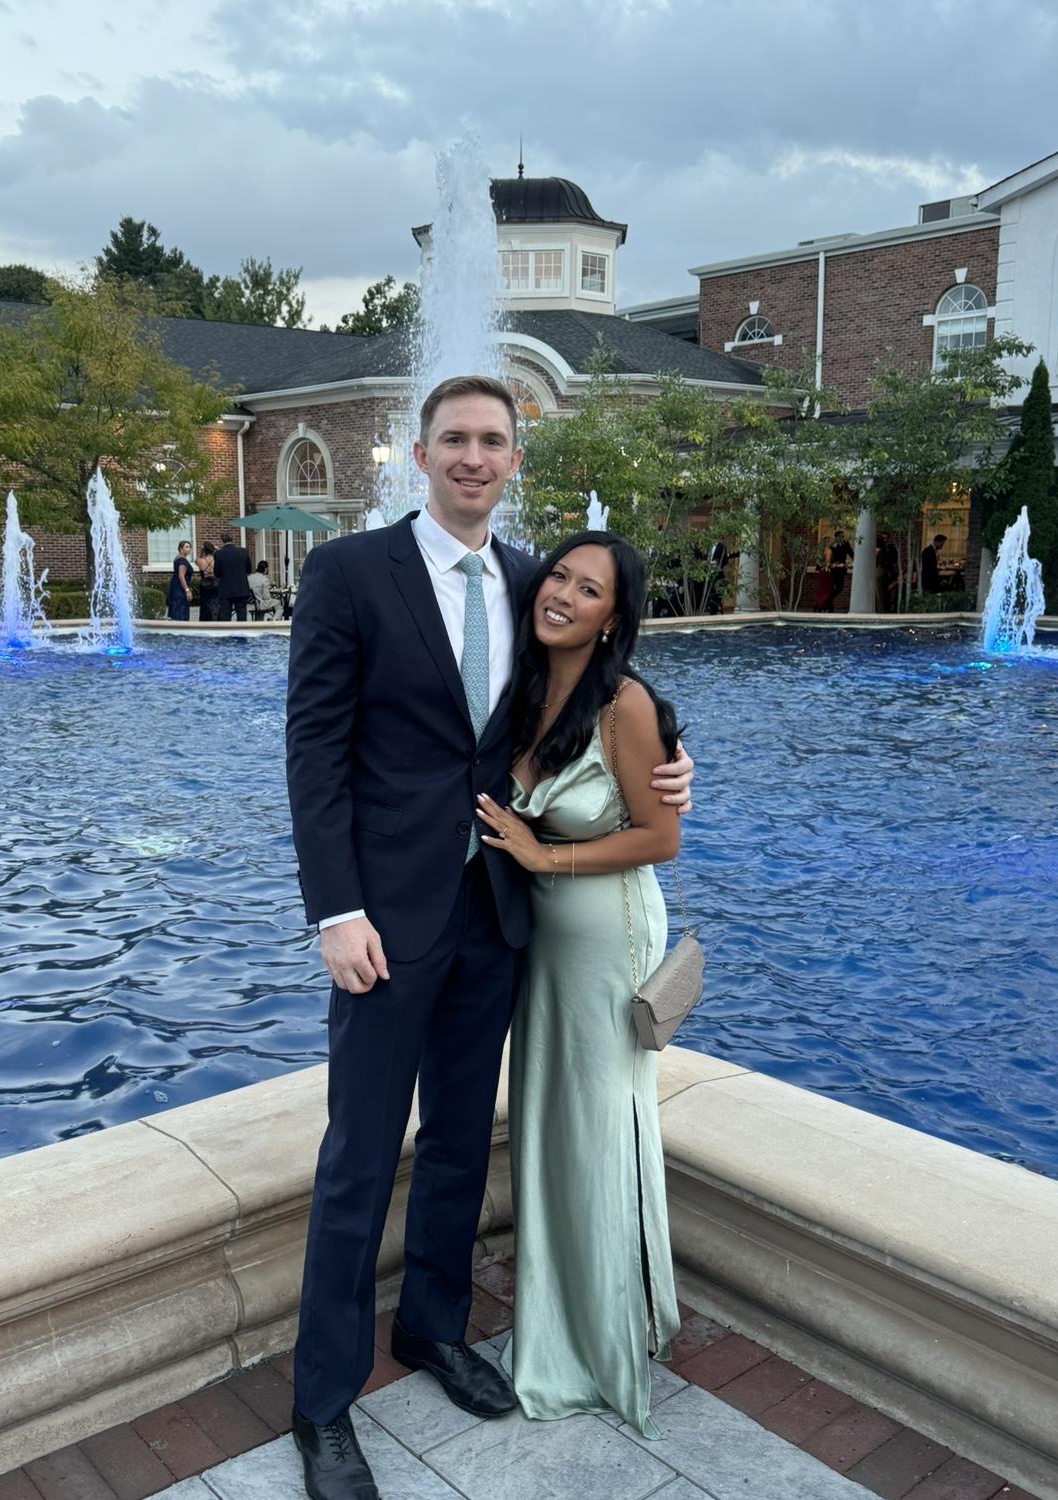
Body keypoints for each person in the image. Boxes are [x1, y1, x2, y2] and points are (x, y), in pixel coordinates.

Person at [285, 374, 694, 1500]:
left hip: (498, 914)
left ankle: (432, 1326)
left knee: (464, 1140)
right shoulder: (348, 573)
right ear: (419, 455)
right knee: (360, 1156)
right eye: (454, 438)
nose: (473, 457)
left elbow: (603, 692)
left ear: (516, 461)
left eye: (493, 441)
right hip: (383, 919)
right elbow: (313, 753)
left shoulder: (530, 581)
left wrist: (675, 760)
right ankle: (322, 1400)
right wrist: (335, 911)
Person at [472, 530, 682, 1436]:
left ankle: (600, 1341)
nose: (562, 594)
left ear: (612, 619)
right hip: (542, 939)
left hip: (606, 935)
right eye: (558, 574)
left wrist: (543, 855)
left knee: (595, 1126)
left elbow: (661, 837)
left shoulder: (623, 702)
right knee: (550, 1119)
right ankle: (565, 1312)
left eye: (589, 589)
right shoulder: (523, 686)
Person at [214, 534, 252, 621]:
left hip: (225, 589)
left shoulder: (219, 554)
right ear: (233, 540)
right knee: (242, 615)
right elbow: (249, 570)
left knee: (225, 615)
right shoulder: (244, 552)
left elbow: (217, 573)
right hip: (241, 588)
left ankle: (227, 629)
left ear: (222, 541)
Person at [826, 530, 854, 612]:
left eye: (843, 536)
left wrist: (851, 563)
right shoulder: (832, 545)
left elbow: (852, 554)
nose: (842, 538)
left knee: (839, 588)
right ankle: (828, 603)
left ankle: (828, 603)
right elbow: (828, 559)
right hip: (833, 568)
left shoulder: (845, 544)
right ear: (836, 537)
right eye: (840, 536)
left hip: (840, 568)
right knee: (836, 588)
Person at [166, 540, 194, 621]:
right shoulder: (182, 561)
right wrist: (187, 590)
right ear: (181, 549)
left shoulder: (177, 558)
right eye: (186, 547)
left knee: (176, 609)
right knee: (180, 610)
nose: (189, 549)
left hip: (175, 586)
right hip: (180, 589)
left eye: (189, 547)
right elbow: (181, 576)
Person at [197, 542, 218, 622]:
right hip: (215, 582)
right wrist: (216, 548)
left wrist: (201, 552)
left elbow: (196, 560)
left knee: (205, 603)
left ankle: (205, 619)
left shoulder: (200, 561)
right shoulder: (216, 560)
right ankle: (215, 618)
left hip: (204, 583)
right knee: (216, 602)